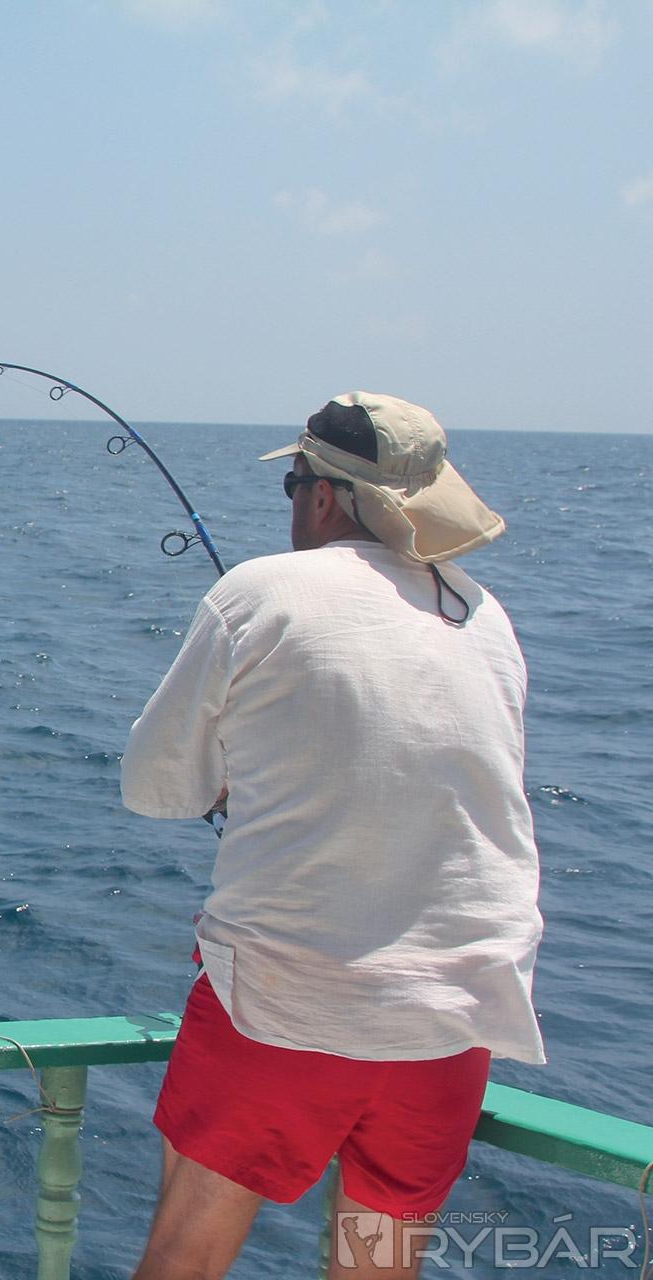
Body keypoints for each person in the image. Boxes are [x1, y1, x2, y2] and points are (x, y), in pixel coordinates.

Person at [120, 393, 543, 1279]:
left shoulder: (262, 590)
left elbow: (156, 786)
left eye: (293, 484)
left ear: (323, 496)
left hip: (286, 1003)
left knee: (185, 1257)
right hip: (456, 1016)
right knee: (378, 1262)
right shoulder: (483, 613)